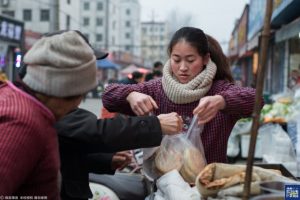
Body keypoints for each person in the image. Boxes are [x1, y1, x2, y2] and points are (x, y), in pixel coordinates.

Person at [102, 27, 260, 164]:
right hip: (163, 187)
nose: (182, 67)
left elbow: (257, 99)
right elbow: (108, 96)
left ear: (205, 59)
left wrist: (222, 101)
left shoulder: (220, 91)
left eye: (190, 60)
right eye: (176, 60)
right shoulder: (155, 89)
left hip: (207, 186)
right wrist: (130, 94)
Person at [0, 30, 106, 197]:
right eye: (82, 95)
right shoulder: (23, 123)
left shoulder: (20, 101)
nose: (79, 103)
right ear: (67, 92)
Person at [56, 108, 183, 200]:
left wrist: (106, 160)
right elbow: (97, 131)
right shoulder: (49, 107)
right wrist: (154, 124)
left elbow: (65, 150)